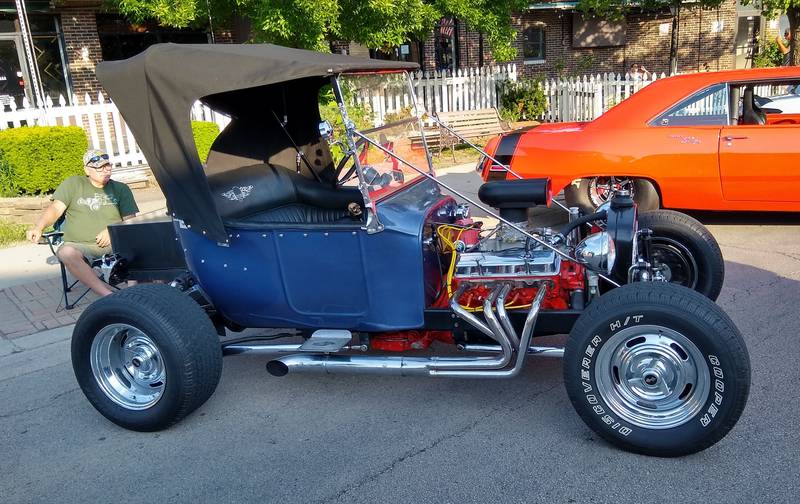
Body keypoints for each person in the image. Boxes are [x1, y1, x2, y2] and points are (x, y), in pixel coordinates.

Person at [26, 149, 138, 297]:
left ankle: (133, 293)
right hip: (81, 245)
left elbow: (131, 220)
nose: (106, 170)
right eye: (99, 167)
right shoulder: (74, 184)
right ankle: (108, 295)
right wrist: (39, 227)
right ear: (87, 169)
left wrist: (113, 231)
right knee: (66, 252)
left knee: (141, 241)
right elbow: (55, 209)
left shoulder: (120, 189)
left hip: (115, 243)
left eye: (108, 166)